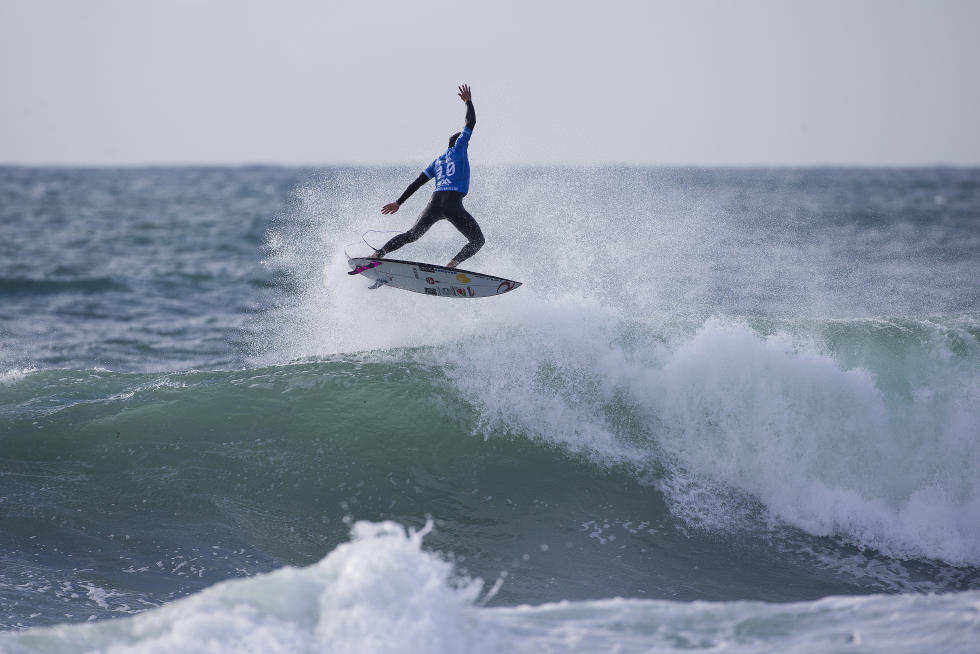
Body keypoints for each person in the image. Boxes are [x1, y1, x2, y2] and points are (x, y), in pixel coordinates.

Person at [372, 84, 484, 269]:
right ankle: (452, 264)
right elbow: (470, 123)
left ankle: (378, 253)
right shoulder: (459, 147)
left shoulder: (437, 162)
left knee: (411, 235)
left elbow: (418, 182)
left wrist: (399, 202)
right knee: (478, 241)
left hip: (434, 203)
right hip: (452, 203)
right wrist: (468, 102)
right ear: (458, 143)